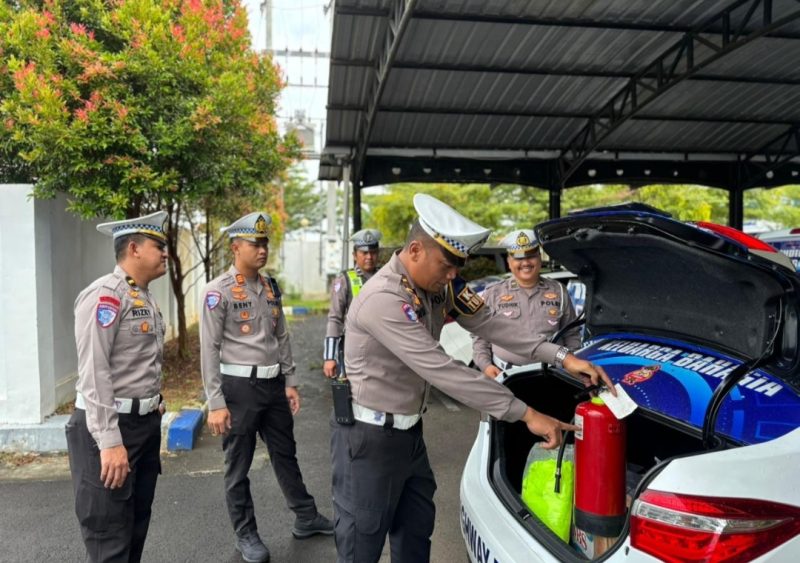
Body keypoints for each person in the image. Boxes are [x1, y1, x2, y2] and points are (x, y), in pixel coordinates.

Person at [330, 194, 614, 563]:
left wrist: (563, 356)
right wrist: (525, 413)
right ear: (415, 250)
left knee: (415, 536)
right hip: (368, 442)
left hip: (409, 436)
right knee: (361, 547)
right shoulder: (383, 299)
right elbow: (443, 369)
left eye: (457, 267)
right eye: (447, 265)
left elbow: (492, 323)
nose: (453, 275)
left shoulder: (439, 286)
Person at [200, 212, 333, 563]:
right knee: (238, 466)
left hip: (273, 386)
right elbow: (209, 349)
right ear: (236, 247)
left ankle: (305, 516)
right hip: (239, 389)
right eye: (255, 244)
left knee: (285, 453)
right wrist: (215, 402)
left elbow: (282, 335)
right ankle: (246, 533)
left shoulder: (270, 286)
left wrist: (290, 380)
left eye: (265, 243)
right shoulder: (218, 292)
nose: (262, 250)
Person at [66, 210, 169, 563]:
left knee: (135, 526)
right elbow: (94, 372)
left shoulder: (143, 296)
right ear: (134, 248)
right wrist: (109, 441)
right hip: (109, 429)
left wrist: (153, 399)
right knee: (109, 534)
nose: (166, 253)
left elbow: (136, 362)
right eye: (159, 245)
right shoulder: (105, 296)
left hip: (142, 427)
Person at [473, 229, 582, 378]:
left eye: (531, 256)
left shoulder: (559, 291)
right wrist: (485, 366)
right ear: (509, 262)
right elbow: (480, 337)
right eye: (518, 258)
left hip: (552, 375)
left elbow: (571, 334)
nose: (525, 263)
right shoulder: (493, 293)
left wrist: (574, 364)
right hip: (505, 375)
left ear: (539, 258)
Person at [323, 228, 382, 378]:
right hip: (355, 351)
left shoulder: (386, 277)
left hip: (383, 350)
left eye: (373, 252)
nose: (369, 257)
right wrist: (330, 357)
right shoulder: (344, 280)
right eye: (364, 253)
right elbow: (335, 318)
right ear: (355, 255)